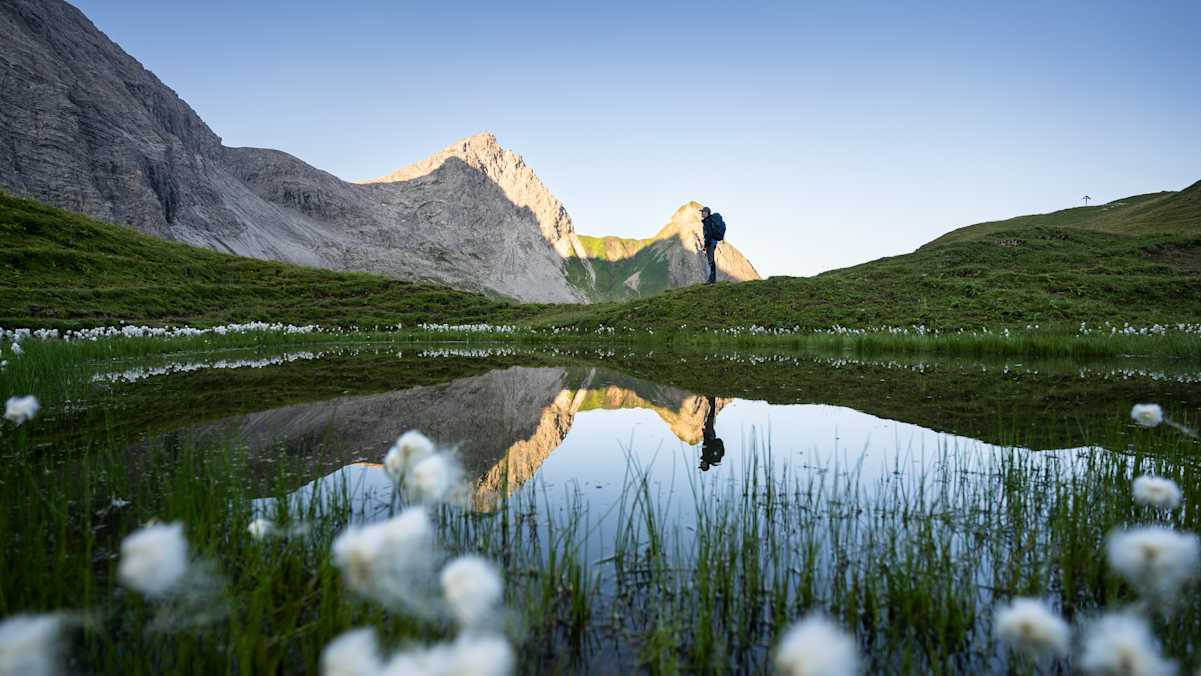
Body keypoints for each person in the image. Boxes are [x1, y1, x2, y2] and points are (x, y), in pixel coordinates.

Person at [700, 206, 726, 284]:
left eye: (703, 212)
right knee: (711, 260)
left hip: (711, 242)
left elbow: (708, 234)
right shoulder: (708, 221)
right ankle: (712, 279)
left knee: (711, 261)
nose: (701, 213)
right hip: (712, 241)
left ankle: (712, 279)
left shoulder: (707, 221)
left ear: (706, 212)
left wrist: (705, 245)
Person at [699, 395, 725, 471]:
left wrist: (704, 434)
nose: (701, 464)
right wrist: (706, 434)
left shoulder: (706, 456)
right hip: (710, 436)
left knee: (709, 418)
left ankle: (711, 400)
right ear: (706, 465)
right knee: (710, 417)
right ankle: (712, 399)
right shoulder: (709, 457)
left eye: (701, 465)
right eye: (702, 465)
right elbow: (708, 445)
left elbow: (705, 444)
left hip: (708, 435)